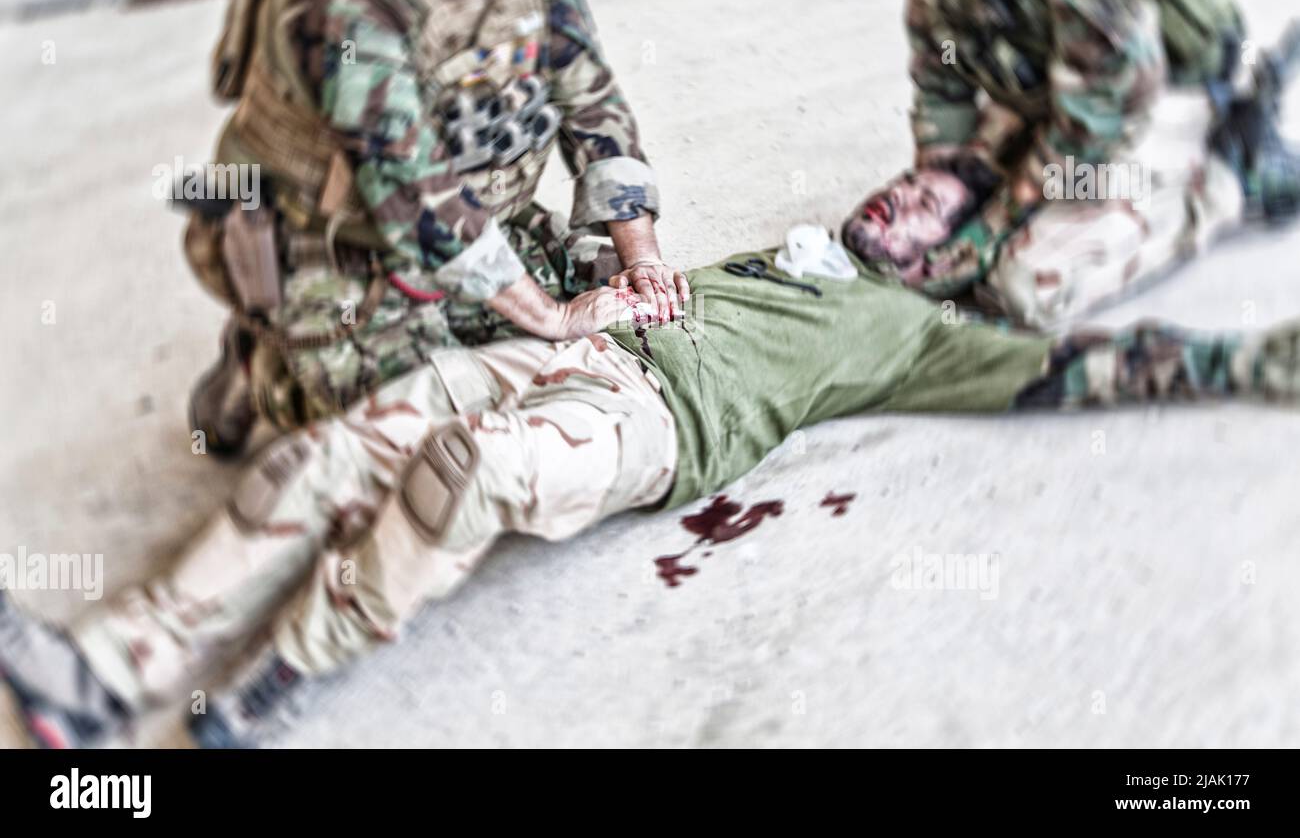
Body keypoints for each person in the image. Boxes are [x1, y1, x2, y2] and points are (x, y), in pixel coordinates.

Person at [4, 243, 1296, 748]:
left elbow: (1086, 368)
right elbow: (600, 249)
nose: (915, 202)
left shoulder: (919, 329)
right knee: (325, 459)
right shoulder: (801, 248)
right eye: (915, 187)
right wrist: (602, 284)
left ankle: (271, 684)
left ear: (972, 271)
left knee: (473, 475)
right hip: (575, 349)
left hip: (651, 421)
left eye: (951, 211)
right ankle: (106, 672)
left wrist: (1241, 361)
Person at [184, 0, 688, 455]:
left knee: (629, 323)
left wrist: (641, 258)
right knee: (423, 439)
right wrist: (551, 317)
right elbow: (409, 186)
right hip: (337, 249)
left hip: (478, 226)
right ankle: (264, 363)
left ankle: (473, 317)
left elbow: (594, 104)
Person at [814, 0, 1300, 327]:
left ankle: (1229, 171)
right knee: (912, 237)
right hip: (1051, 85)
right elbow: (937, 44)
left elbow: (1110, 96)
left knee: (1025, 285)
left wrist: (992, 228)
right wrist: (944, 165)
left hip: (1150, 96)